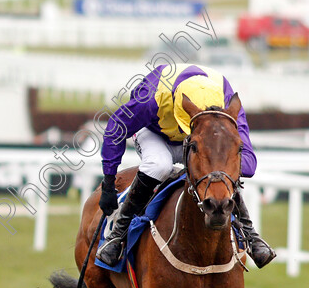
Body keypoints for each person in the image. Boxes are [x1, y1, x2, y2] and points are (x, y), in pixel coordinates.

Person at [95, 63, 276, 269]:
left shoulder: (225, 96)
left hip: (201, 138)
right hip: (155, 133)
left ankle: (250, 236)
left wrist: (220, 165)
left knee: (221, 164)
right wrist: (108, 183)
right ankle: (118, 235)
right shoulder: (152, 98)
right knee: (159, 165)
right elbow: (115, 129)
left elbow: (249, 164)